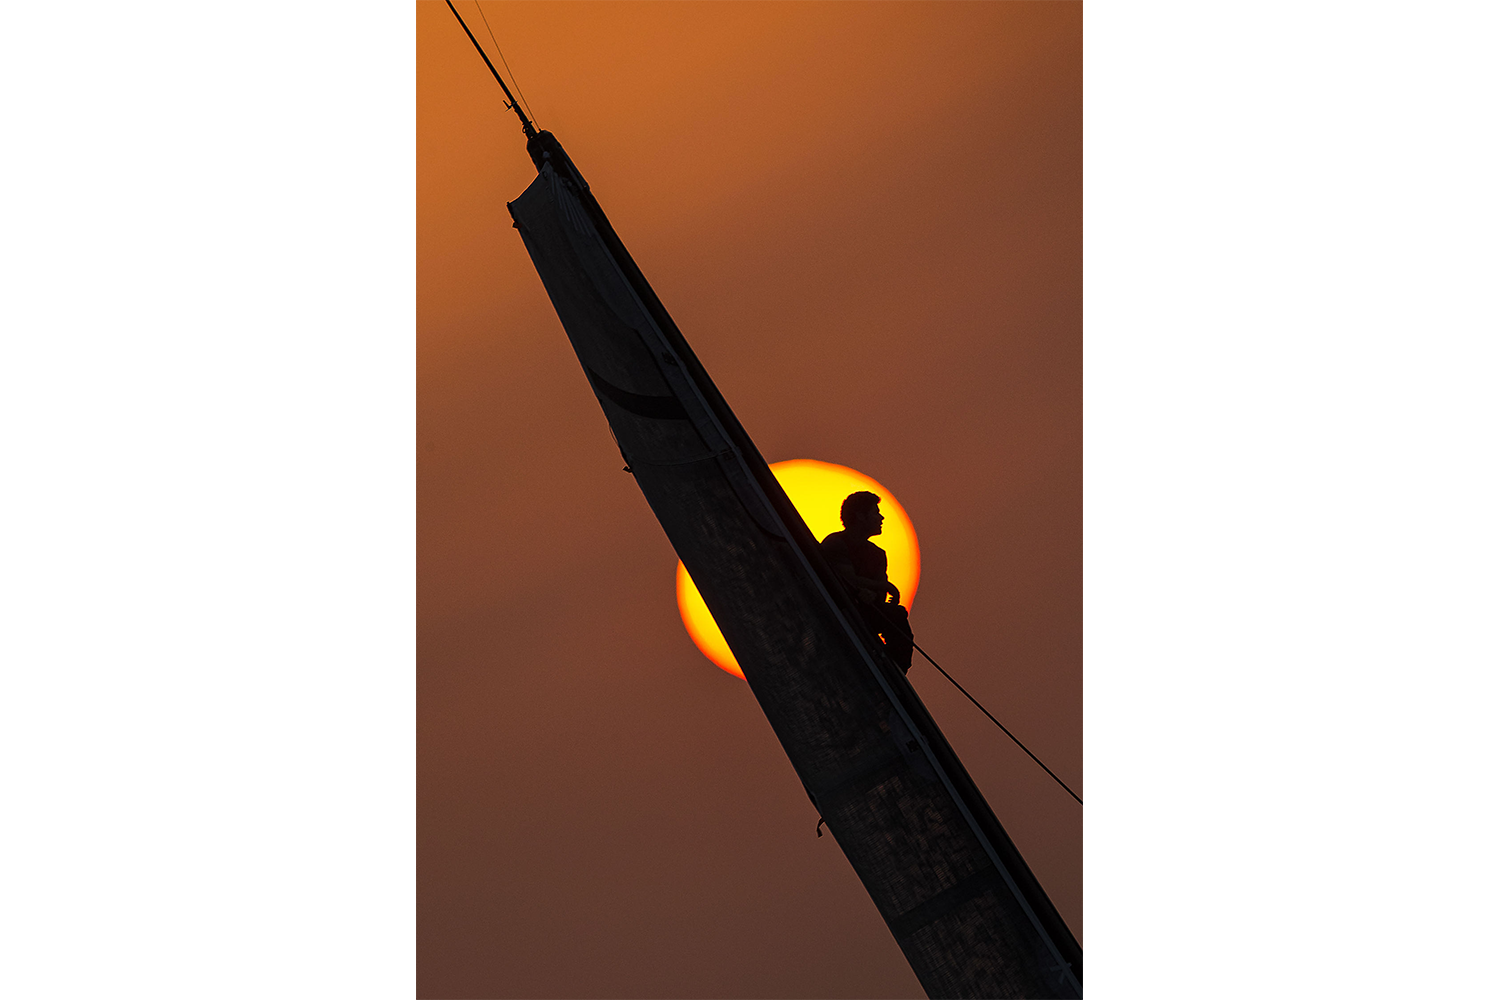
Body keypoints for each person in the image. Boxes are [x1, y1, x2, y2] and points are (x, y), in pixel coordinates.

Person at [820, 491, 914, 673]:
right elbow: (846, 579)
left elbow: (880, 595)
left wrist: (877, 592)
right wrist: (883, 587)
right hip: (839, 611)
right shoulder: (836, 543)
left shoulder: (877, 554)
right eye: (875, 513)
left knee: (897, 616)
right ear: (860, 516)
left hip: (866, 613)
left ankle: (895, 671)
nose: (881, 518)